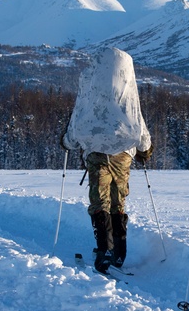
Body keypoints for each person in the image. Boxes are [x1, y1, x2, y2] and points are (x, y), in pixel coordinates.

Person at [61, 48, 152, 274]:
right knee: (118, 199)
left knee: (99, 199)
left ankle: (104, 249)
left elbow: (74, 129)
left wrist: (66, 141)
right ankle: (120, 251)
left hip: (96, 153)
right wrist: (144, 150)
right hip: (124, 155)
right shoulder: (128, 99)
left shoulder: (91, 95)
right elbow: (142, 135)